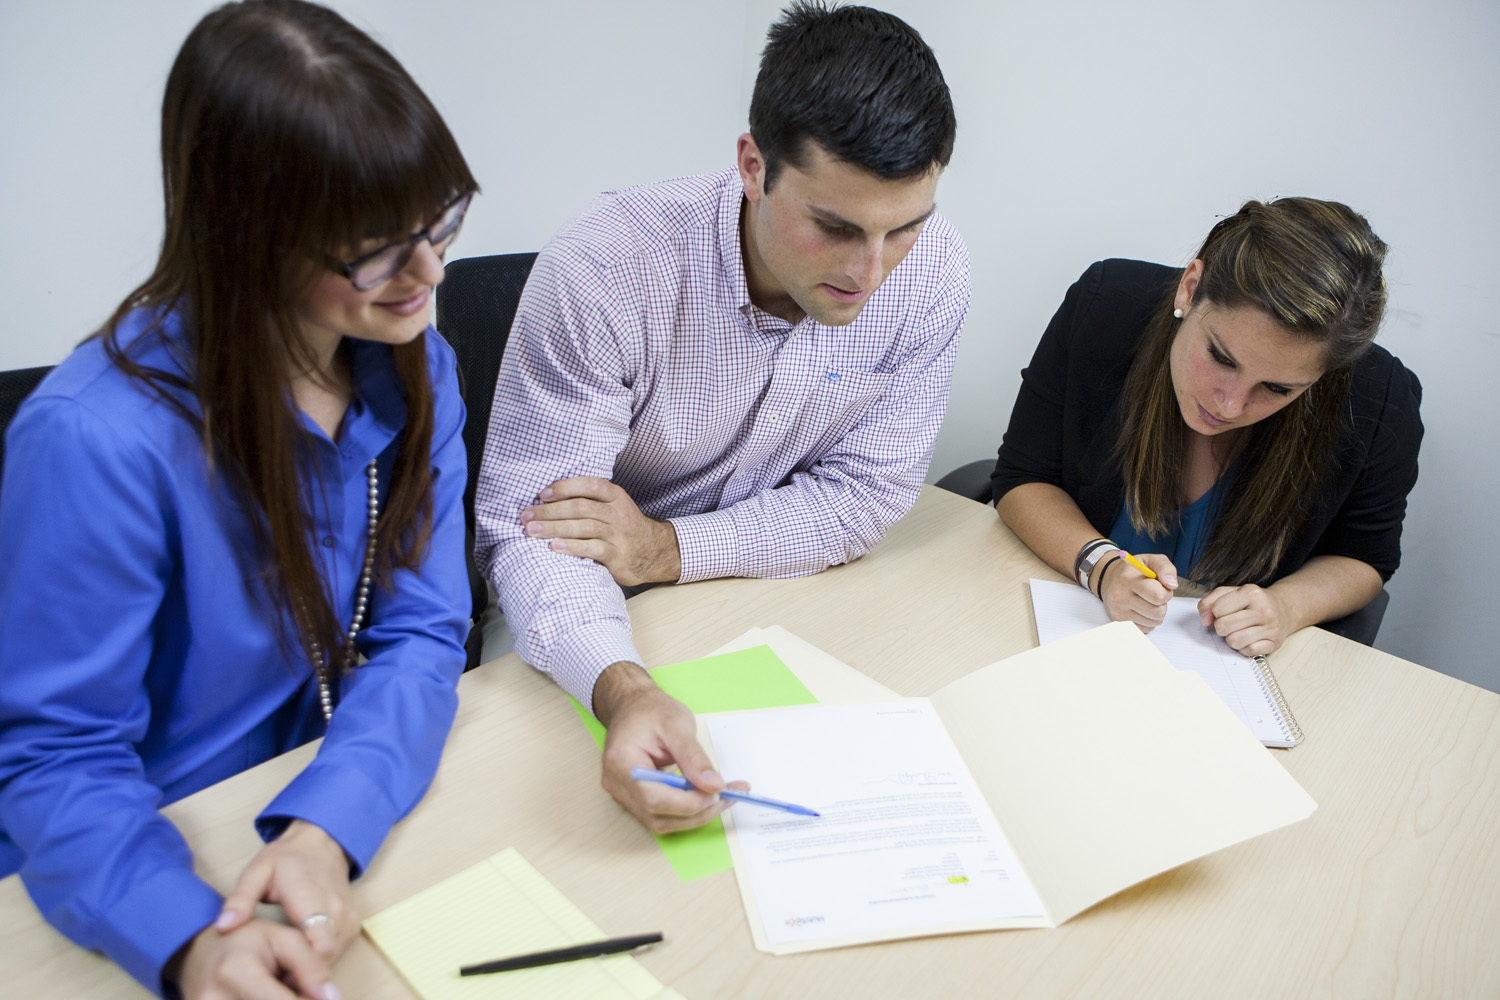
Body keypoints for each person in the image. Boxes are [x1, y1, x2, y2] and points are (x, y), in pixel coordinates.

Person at [0, 2, 478, 997]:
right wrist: (189, 940)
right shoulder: (94, 438)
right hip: (143, 870)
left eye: (440, 220)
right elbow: (57, 761)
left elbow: (427, 634)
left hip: (327, 821)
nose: (430, 274)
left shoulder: (414, 361)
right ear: (250, 236)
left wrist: (325, 827)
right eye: (376, 247)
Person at [474, 2, 967, 835]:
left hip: (757, 595)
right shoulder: (605, 270)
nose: (870, 271)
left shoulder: (936, 271)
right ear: (752, 164)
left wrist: (667, 549)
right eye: (835, 227)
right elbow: (532, 536)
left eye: (904, 228)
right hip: (587, 617)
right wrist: (624, 687)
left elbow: (866, 496)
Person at [991, 198, 1422, 657]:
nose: (1230, 405)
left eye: (1277, 388)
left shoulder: (1379, 401)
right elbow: (1024, 477)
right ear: (1189, 289)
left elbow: (1364, 558)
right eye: (1221, 357)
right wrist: (1103, 567)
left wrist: (1286, 607)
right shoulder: (1105, 308)